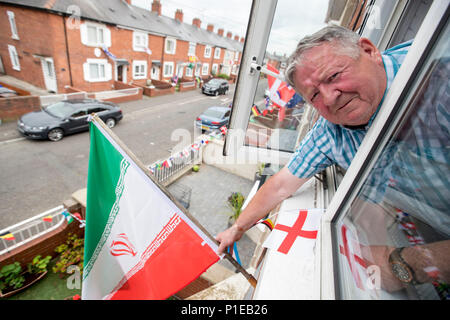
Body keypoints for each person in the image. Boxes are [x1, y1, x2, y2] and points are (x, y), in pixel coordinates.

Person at [215, 25, 449, 294]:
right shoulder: (330, 132)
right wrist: (236, 228)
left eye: (334, 76)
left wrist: (407, 263)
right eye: (314, 95)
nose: (329, 97)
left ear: (369, 51)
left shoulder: (438, 81)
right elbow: (281, 184)